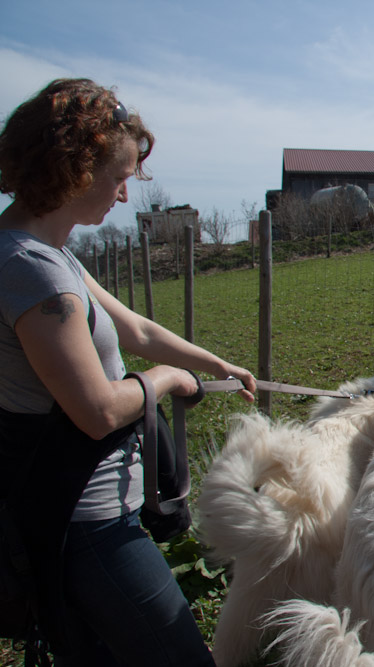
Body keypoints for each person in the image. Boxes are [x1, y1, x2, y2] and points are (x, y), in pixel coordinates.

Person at [0, 78, 256, 666]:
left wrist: (214, 363)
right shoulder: (32, 271)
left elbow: (135, 329)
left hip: (78, 514)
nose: (123, 195)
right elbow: (94, 413)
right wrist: (166, 379)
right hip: (86, 524)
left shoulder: (49, 252)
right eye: (119, 177)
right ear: (75, 168)